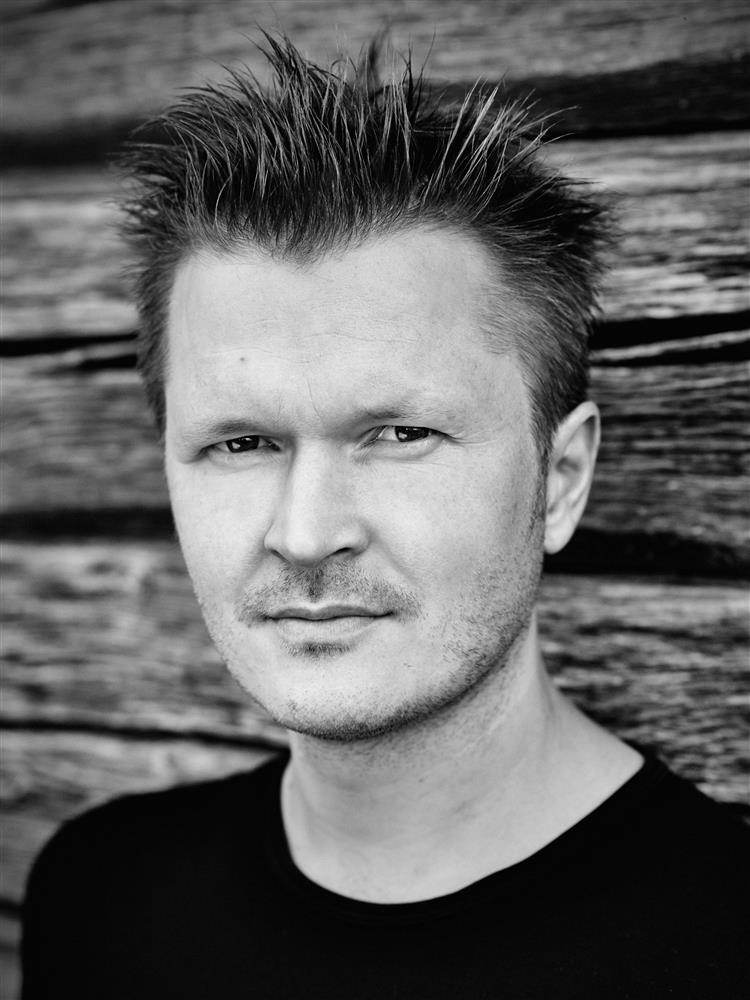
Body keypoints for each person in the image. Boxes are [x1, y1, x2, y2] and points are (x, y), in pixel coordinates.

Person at [21, 35, 748, 1000]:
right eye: (241, 443)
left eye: (401, 434)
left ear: (562, 480)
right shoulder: (100, 898)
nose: (305, 534)